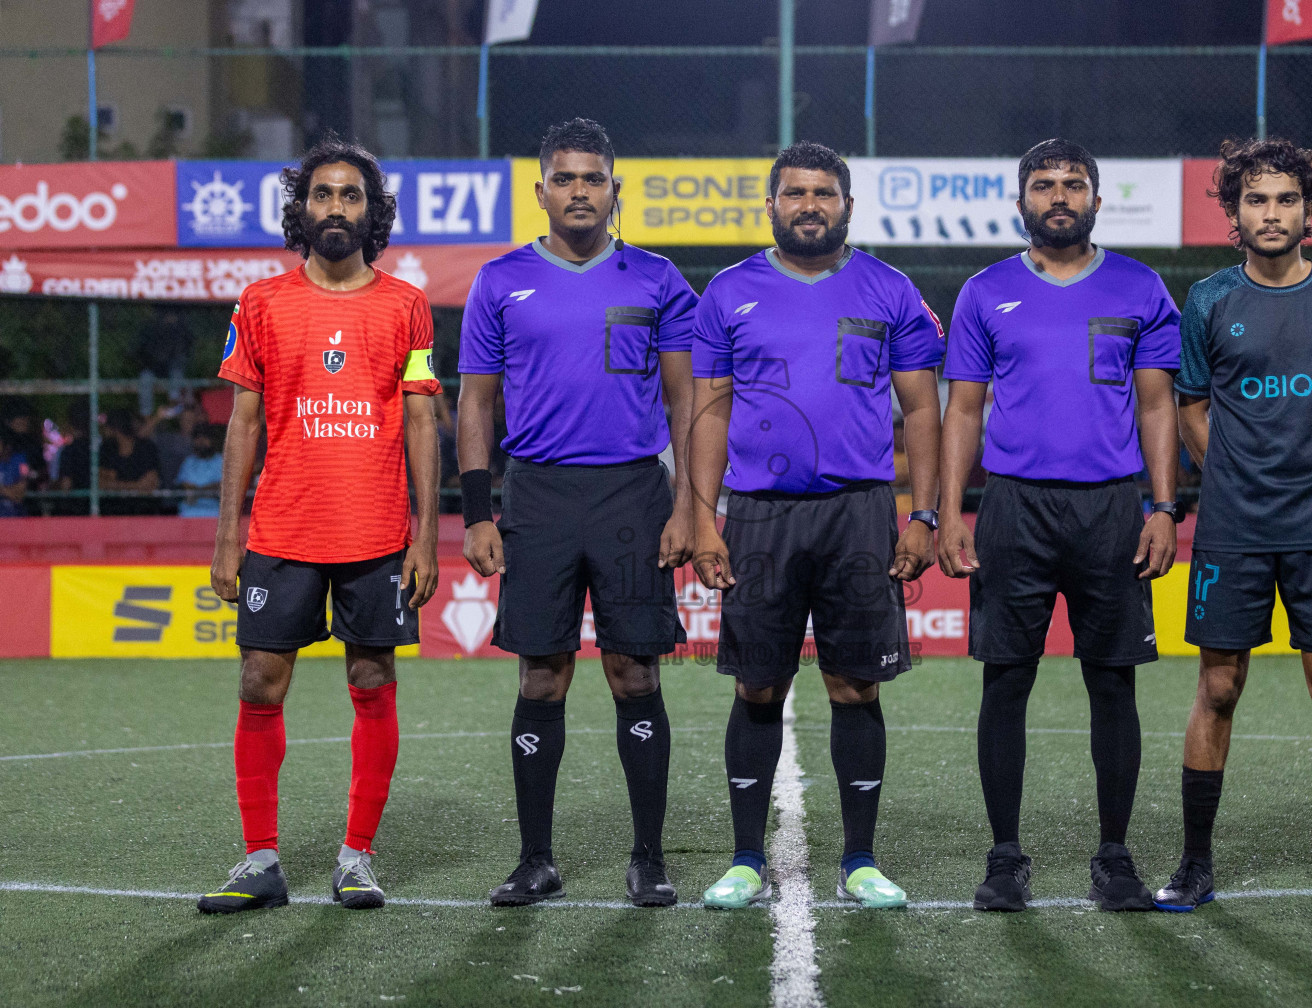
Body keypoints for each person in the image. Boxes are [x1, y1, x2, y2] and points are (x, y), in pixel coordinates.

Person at [691, 141, 945, 910]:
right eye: (796, 193)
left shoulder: (891, 289)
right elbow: (708, 411)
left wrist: (925, 513)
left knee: (855, 685)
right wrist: (704, 519)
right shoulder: (728, 292)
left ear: (846, 206)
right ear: (770, 205)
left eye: (824, 193)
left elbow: (923, 408)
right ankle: (744, 860)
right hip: (760, 514)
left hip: (859, 512)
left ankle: (860, 860)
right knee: (758, 683)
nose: (811, 205)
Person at [197, 135, 442, 914]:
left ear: (373, 213)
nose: (336, 207)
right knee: (258, 683)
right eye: (323, 195)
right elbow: (244, 421)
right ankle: (261, 859)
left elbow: (422, 423)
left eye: (352, 196)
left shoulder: (405, 305)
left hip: (374, 535)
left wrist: (428, 534)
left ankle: (357, 857)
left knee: (372, 680)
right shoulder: (260, 302)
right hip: (280, 532)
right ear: (301, 208)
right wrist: (227, 532)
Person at [456, 119, 698, 909]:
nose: (580, 191)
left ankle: (649, 857)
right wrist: (477, 511)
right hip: (538, 494)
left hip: (633, 492)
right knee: (543, 674)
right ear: (542, 192)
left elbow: (686, 398)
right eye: (565, 179)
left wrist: (690, 504)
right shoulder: (500, 281)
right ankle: (536, 860)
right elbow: (475, 404)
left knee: (635, 672)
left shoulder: (659, 280)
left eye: (594, 178)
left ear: (614, 190)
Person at [936, 139, 1181, 913]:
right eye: (1044, 185)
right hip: (1014, 507)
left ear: (1098, 200)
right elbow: (963, 409)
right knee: (1006, 681)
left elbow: (1155, 405)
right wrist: (950, 509)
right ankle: (1004, 858)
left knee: (1112, 683)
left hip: (1112, 508)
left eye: (1074, 184)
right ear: (1021, 202)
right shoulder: (985, 292)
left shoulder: (1141, 288)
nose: (1060, 196)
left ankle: (1115, 858)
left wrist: (1165, 507)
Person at [1158, 138, 1312, 919]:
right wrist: (1226, 475)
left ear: (1308, 210)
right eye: (1255, 200)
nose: (1271, 213)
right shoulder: (1208, 301)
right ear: (1233, 212)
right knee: (1218, 688)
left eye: (1286, 199)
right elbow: (1189, 405)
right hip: (1233, 529)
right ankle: (1193, 865)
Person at [97, 409, 161, 516]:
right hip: (113, 514)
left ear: (114, 428)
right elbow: (101, 483)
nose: (104, 431)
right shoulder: (106, 450)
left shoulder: (146, 447)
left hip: (143, 514)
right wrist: (136, 485)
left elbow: (151, 483)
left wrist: (116, 485)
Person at [174, 424, 224, 518]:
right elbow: (183, 487)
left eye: (205, 438)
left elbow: (222, 488)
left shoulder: (221, 461)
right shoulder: (188, 462)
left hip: (214, 513)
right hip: (188, 513)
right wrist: (208, 490)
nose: (201, 441)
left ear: (213, 440)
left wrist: (196, 491)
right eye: (197, 438)